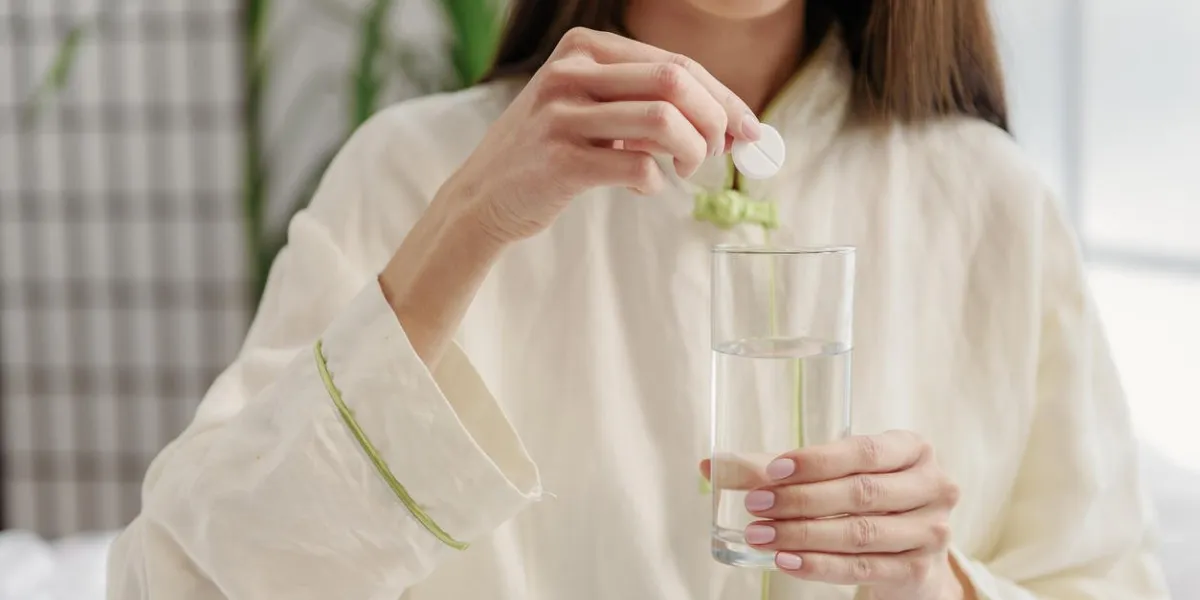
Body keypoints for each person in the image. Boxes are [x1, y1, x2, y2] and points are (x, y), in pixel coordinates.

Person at [106, 0, 1171, 598]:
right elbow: (180, 585)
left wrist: (936, 583)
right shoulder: (411, 169)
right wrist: (471, 214)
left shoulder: (992, 201)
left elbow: (1108, 579)